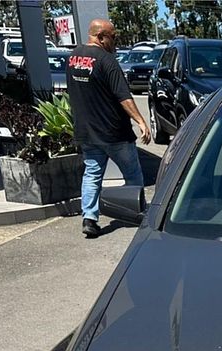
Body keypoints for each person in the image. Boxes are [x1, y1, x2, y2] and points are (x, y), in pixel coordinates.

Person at [66, 19, 151, 238]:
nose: (115, 41)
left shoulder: (74, 58)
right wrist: (141, 121)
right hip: (114, 132)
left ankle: (90, 218)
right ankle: (136, 213)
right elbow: (123, 96)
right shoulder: (107, 60)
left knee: (93, 174)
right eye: (113, 37)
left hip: (87, 131)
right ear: (101, 36)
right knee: (133, 174)